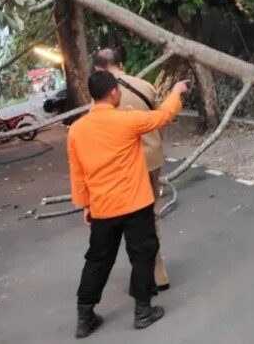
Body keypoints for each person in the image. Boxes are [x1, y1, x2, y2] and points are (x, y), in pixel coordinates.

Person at [67, 71, 188, 338]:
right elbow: (163, 116)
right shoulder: (126, 120)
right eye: (119, 90)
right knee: (143, 254)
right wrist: (176, 92)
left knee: (97, 260)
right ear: (113, 93)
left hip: (103, 208)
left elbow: (78, 173)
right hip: (135, 203)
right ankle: (143, 311)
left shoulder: (77, 130)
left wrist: (85, 205)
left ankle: (85, 317)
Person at [93, 48, 171, 293]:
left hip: (124, 167)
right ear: (121, 64)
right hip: (152, 159)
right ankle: (159, 273)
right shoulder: (145, 86)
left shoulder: (100, 97)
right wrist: (157, 146)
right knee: (153, 214)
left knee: (133, 221)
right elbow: (161, 121)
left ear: (98, 69)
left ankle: (145, 274)